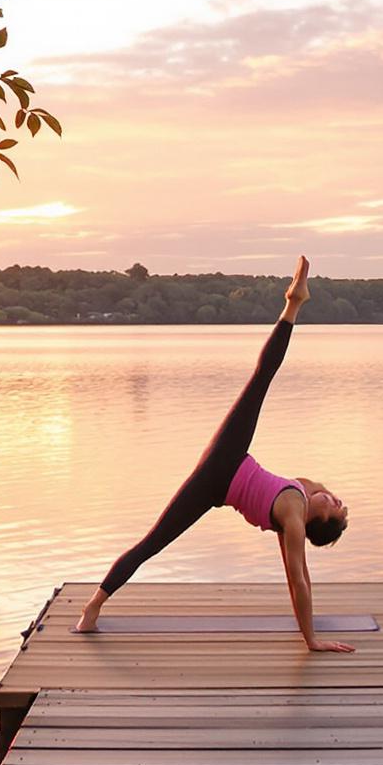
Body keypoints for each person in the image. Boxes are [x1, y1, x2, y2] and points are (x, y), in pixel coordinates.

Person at [74, 255, 354, 652]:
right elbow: (301, 569)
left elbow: (298, 577)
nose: (337, 499)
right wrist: (311, 636)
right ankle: (91, 609)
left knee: (260, 380)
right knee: (152, 541)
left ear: (319, 519)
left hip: (223, 467)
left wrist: (312, 640)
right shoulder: (303, 496)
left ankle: (293, 304)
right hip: (228, 468)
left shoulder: (294, 516)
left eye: (336, 507)